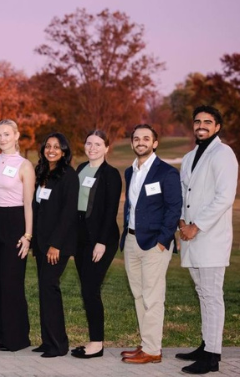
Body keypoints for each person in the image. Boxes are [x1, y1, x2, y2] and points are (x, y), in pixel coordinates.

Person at [176, 105, 238, 374]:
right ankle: (206, 344)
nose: (201, 125)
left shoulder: (224, 154)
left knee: (212, 295)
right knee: (202, 293)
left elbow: (225, 197)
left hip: (209, 236)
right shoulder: (190, 156)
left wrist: (196, 226)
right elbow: (184, 192)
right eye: (197, 121)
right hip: (190, 235)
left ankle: (212, 357)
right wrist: (181, 221)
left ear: (217, 127)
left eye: (207, 122)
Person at [120, 124, 182, 364]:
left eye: (146, 138)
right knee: (138, 295)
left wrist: (163, 241)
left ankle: (153, 350)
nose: (141, 142)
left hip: (155, 244)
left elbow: (173, 208)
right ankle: (147, 344)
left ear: (155, 143)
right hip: (132, 240)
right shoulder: (130, 171)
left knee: (153, 297)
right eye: (136, 138)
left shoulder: (166, 172)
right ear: (132, 143)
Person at [0, 119, 34, 352]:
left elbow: (28, 204)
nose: (2, 139)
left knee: (11, 282)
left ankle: (17, 338)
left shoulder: (25, 165)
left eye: (6, 134)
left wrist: (28, 235)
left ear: (16, 135)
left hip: (15, 224)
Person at [70, 130, 122, 359]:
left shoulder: (111, 174)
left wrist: (100, 242)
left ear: (107, 148)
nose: (92, 147)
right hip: (81, 237)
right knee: (87, 289)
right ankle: (95, 340)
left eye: (98, 144)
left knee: (91, 289)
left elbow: (110, 211)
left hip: (102, 238)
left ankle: (97, 343)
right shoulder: (80, 169)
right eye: (89, 143)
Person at [31, 132, 79, 358]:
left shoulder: (68, 175)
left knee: (50, 287)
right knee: (44, 290)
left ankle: (58, 344)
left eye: (57, 147)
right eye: (48, 146)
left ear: (64, 151)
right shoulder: (41, 172)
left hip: (56, 245)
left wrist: (55, 245)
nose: (51, 150)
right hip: (40, 243)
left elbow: (68, 213)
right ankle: (47, 340)